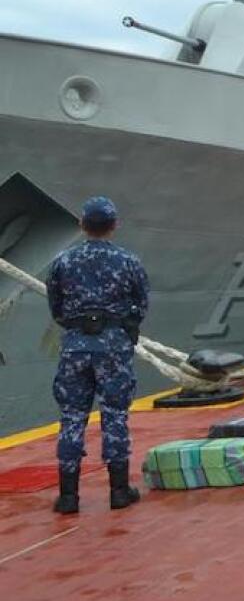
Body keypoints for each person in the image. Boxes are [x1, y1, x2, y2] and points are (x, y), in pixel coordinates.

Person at [46, 196, 148, 514]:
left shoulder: (63, 261)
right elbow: (140, 304)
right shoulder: (128, 261)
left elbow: (56, 307)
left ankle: (68, 496)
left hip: (75, 347)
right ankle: (118, 491)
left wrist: (78, 327)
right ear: (114, 225)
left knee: (72, 418)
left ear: (82, 223)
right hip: (114, 348)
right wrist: (119, 329)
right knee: (115, 415)